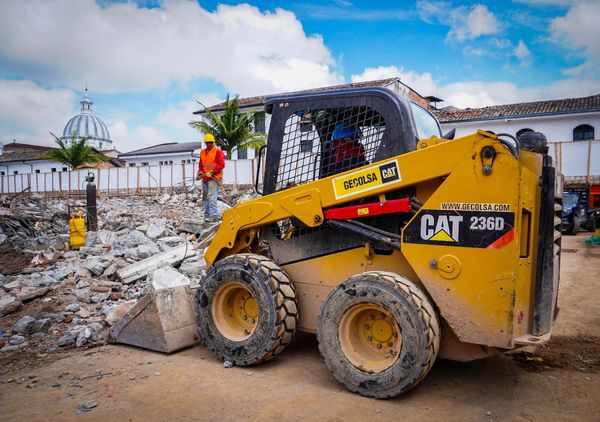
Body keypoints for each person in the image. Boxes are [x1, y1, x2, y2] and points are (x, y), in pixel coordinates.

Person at [197, 133, 225, 222]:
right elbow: (201, 166)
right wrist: (200, 173)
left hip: (213, 178)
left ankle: (214, 216)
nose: (209, 144)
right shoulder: (202, 152)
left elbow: (221, 164)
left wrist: (212, 172)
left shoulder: (217, 151)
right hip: (205, 178)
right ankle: (207, 215)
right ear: (205, 143)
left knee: (212, 197)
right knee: (205, 197)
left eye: (210, 142)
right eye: (207, 142)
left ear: (213, 142)